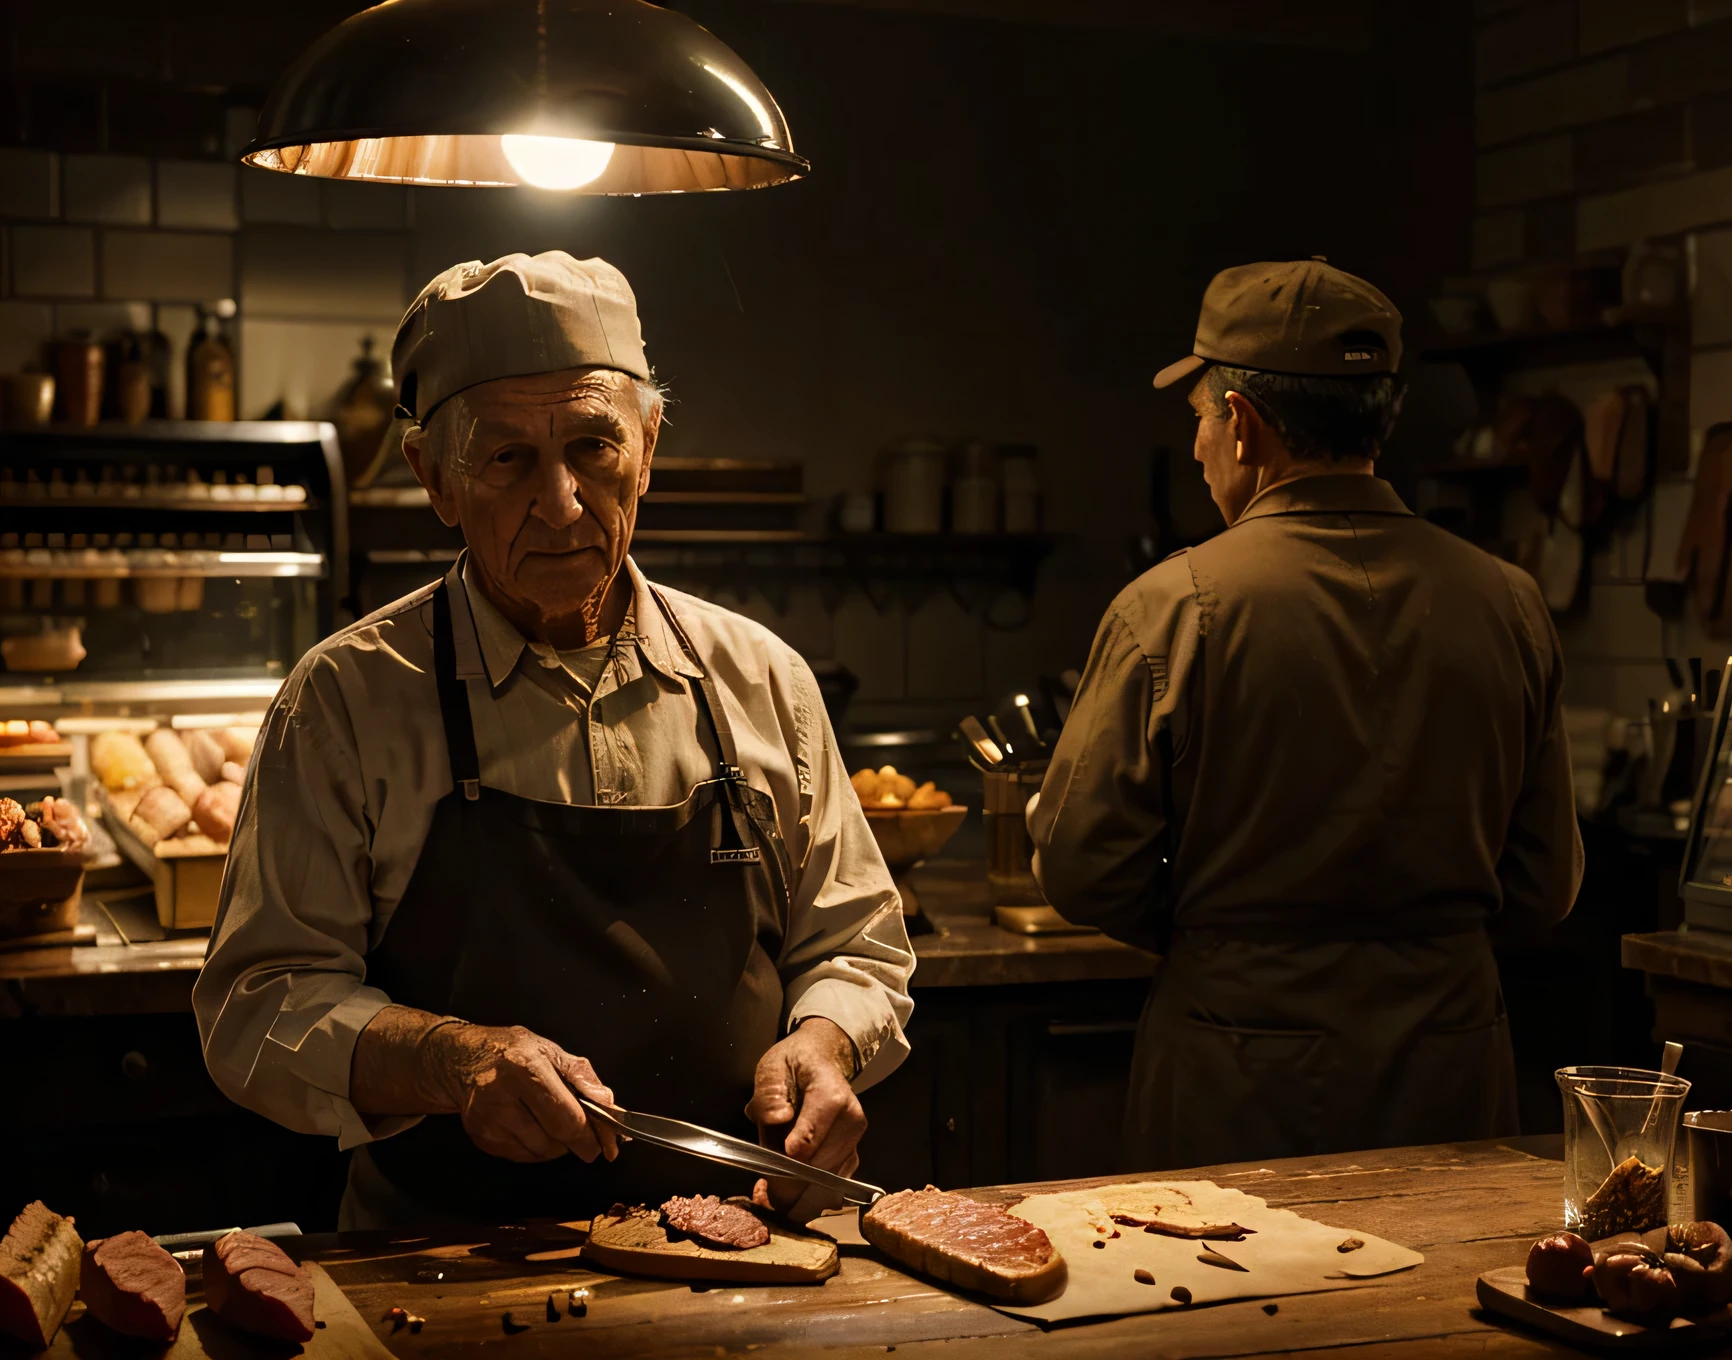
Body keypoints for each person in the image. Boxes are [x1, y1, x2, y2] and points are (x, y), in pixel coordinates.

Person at [195, 252, 912, 1228]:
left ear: (648, 448)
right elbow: (258, 1004)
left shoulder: (763, 680)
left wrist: (824, 1043)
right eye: (508, 459)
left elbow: (855, 941)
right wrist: (453, 1062)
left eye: (592, 446)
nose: (563, 500)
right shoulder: (346, 702)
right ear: (432, 479)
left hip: (741, 1252)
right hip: (445, 1265)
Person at [1028, 258, 1581, 1171]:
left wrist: (1218, 932)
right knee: (1441, 1311)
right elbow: (1544, 883)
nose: (1201, 445)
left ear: (1241, 425)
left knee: (1221, 1300)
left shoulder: (1174, 606)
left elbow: (1083, 870)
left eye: (1201, 418)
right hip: (1452, 1068)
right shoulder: (1510, 602)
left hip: (1237, 1070)